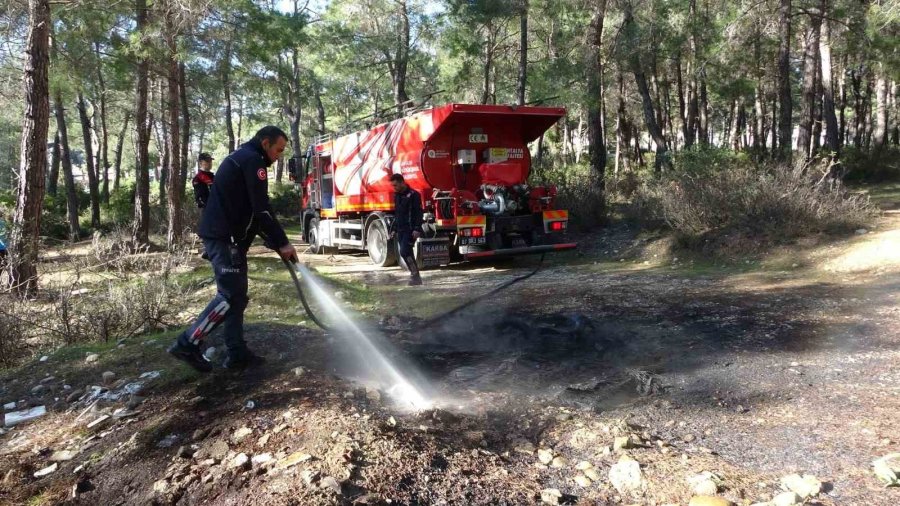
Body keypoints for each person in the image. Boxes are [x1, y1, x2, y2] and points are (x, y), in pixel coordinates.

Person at [168, 126, 297, 372]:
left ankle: (237, 353)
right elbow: (262, 207)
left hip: (227, 237)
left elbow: (247, 207)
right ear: (266, 143)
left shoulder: (243, 158)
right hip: (224, 238)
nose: (279, 155)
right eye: (278, 150)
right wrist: (282, 241)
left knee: (237, 297)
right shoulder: (252, 161)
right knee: (229, 295)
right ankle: (188, 343)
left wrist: (271, 239)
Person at [389, 173, 423, 286]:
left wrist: (417, 228)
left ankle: (415, 275)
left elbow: (419, 213)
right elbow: (397, 214)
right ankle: (416, 278)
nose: (394, 188)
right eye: (393, 186)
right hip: (400, 229)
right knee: (407, 253)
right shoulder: (397, 196)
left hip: (410, 229)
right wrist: (393, 229)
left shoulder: (414, 195)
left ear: (402, 182)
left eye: (396, 185)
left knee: (404, 251)